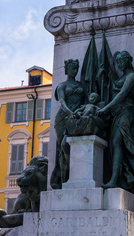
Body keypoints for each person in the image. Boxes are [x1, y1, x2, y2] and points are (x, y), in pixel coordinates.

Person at [97, 50, 134, 199]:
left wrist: (106, 108)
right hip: (118, 114)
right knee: (114, 145)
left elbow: (122, 94)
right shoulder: (121, 77)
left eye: (122, 61)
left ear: (128, 60)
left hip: (127, 113)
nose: (120, 64)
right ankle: (117, 178)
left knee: (117, 141)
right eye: (118, 61)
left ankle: (114, 180)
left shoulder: (131, 76)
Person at [50, 59, 86, 189]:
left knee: (74, 147)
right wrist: (70, 112)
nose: (74, 71)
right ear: (66, 70)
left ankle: (76, 176)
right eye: (72, 68)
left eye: (76, 68)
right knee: (63, 147)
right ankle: (64, 179)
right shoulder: (62, 86)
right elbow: (62, 102)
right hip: (63, 118)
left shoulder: (81, 85)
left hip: (77, 118)